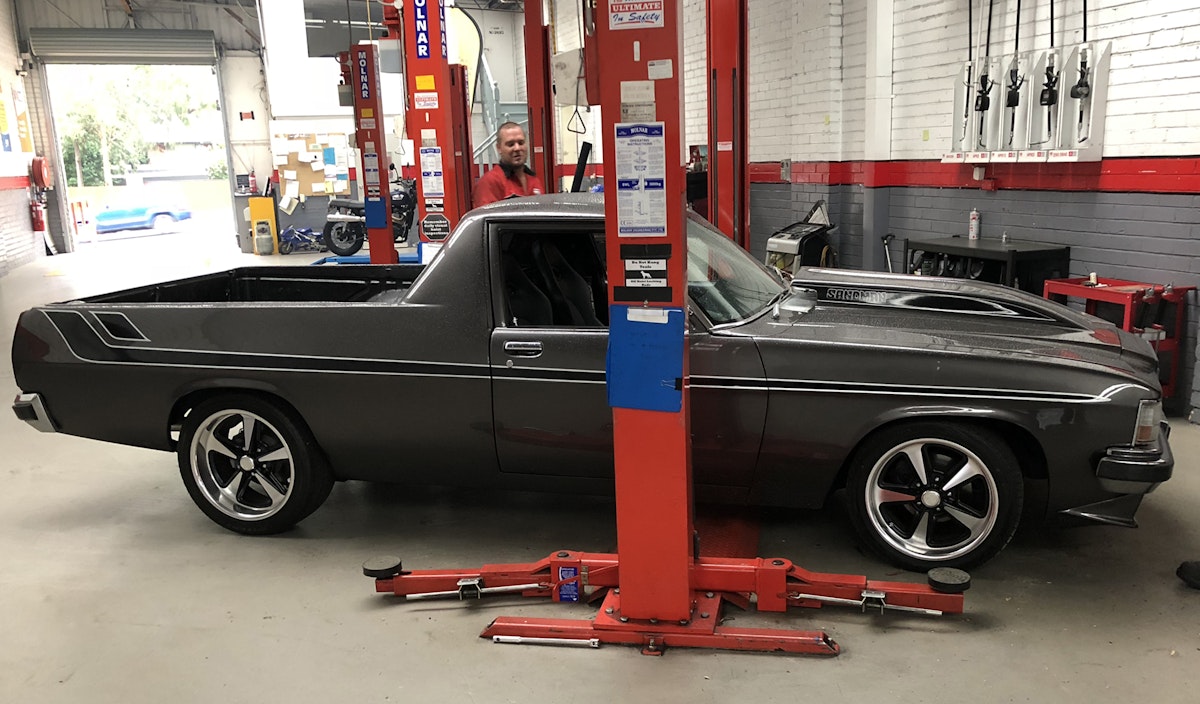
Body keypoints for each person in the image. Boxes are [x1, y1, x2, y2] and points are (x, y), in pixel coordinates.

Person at [474, 122, 545, 207]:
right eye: (510, 144)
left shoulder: (534, 180)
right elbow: (487, 218)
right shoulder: (489, 183)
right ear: (499, 148)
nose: (517, 148)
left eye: (521, 143)